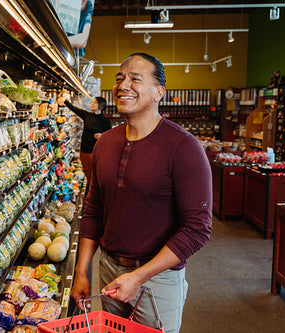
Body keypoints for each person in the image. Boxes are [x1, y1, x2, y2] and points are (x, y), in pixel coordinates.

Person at [70, 53, 213, 333]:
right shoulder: (106, 143)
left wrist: (140, 276)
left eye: (136, 78)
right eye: (120, 78)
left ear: (159, 92)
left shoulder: (183, 147)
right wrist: (81, 272)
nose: (124, 85)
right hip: (109, 268)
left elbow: (198, 229)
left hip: (158, 276)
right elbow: (94, 209)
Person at [57, 96, 112, 183]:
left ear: (100, 106)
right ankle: (90, 191)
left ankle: (94, 193)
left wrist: (102, 136)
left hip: (95, 153)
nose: (92, 104)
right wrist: (65, 101)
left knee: (95, 176)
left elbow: (110, 138)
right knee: (88, 174)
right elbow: (75, 109)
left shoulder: (105, 122)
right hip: (84, 151)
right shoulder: (87, 116)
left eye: (94, 103)